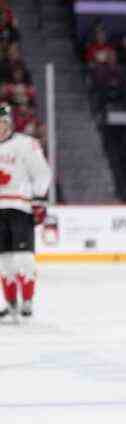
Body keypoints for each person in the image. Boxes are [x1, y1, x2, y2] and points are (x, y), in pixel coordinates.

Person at [0, 103, 51, 320]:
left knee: (24, 259)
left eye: (2, 123)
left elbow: (41, 172)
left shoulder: (25, 144)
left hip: (20, 208)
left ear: (9, 123)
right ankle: (11, 304)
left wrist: (38, 200)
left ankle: (27, 300)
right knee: (4, 261)